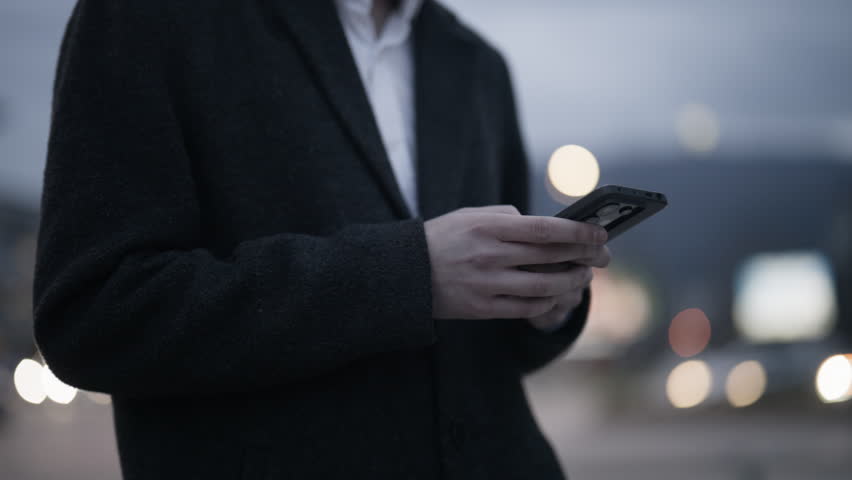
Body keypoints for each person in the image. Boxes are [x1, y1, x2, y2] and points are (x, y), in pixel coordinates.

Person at [32, 0, 611, 478]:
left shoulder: (476, 63)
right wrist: (409, 273)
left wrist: (545, 305)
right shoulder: (147, 19)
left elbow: (487, 349)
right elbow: (94, 316)